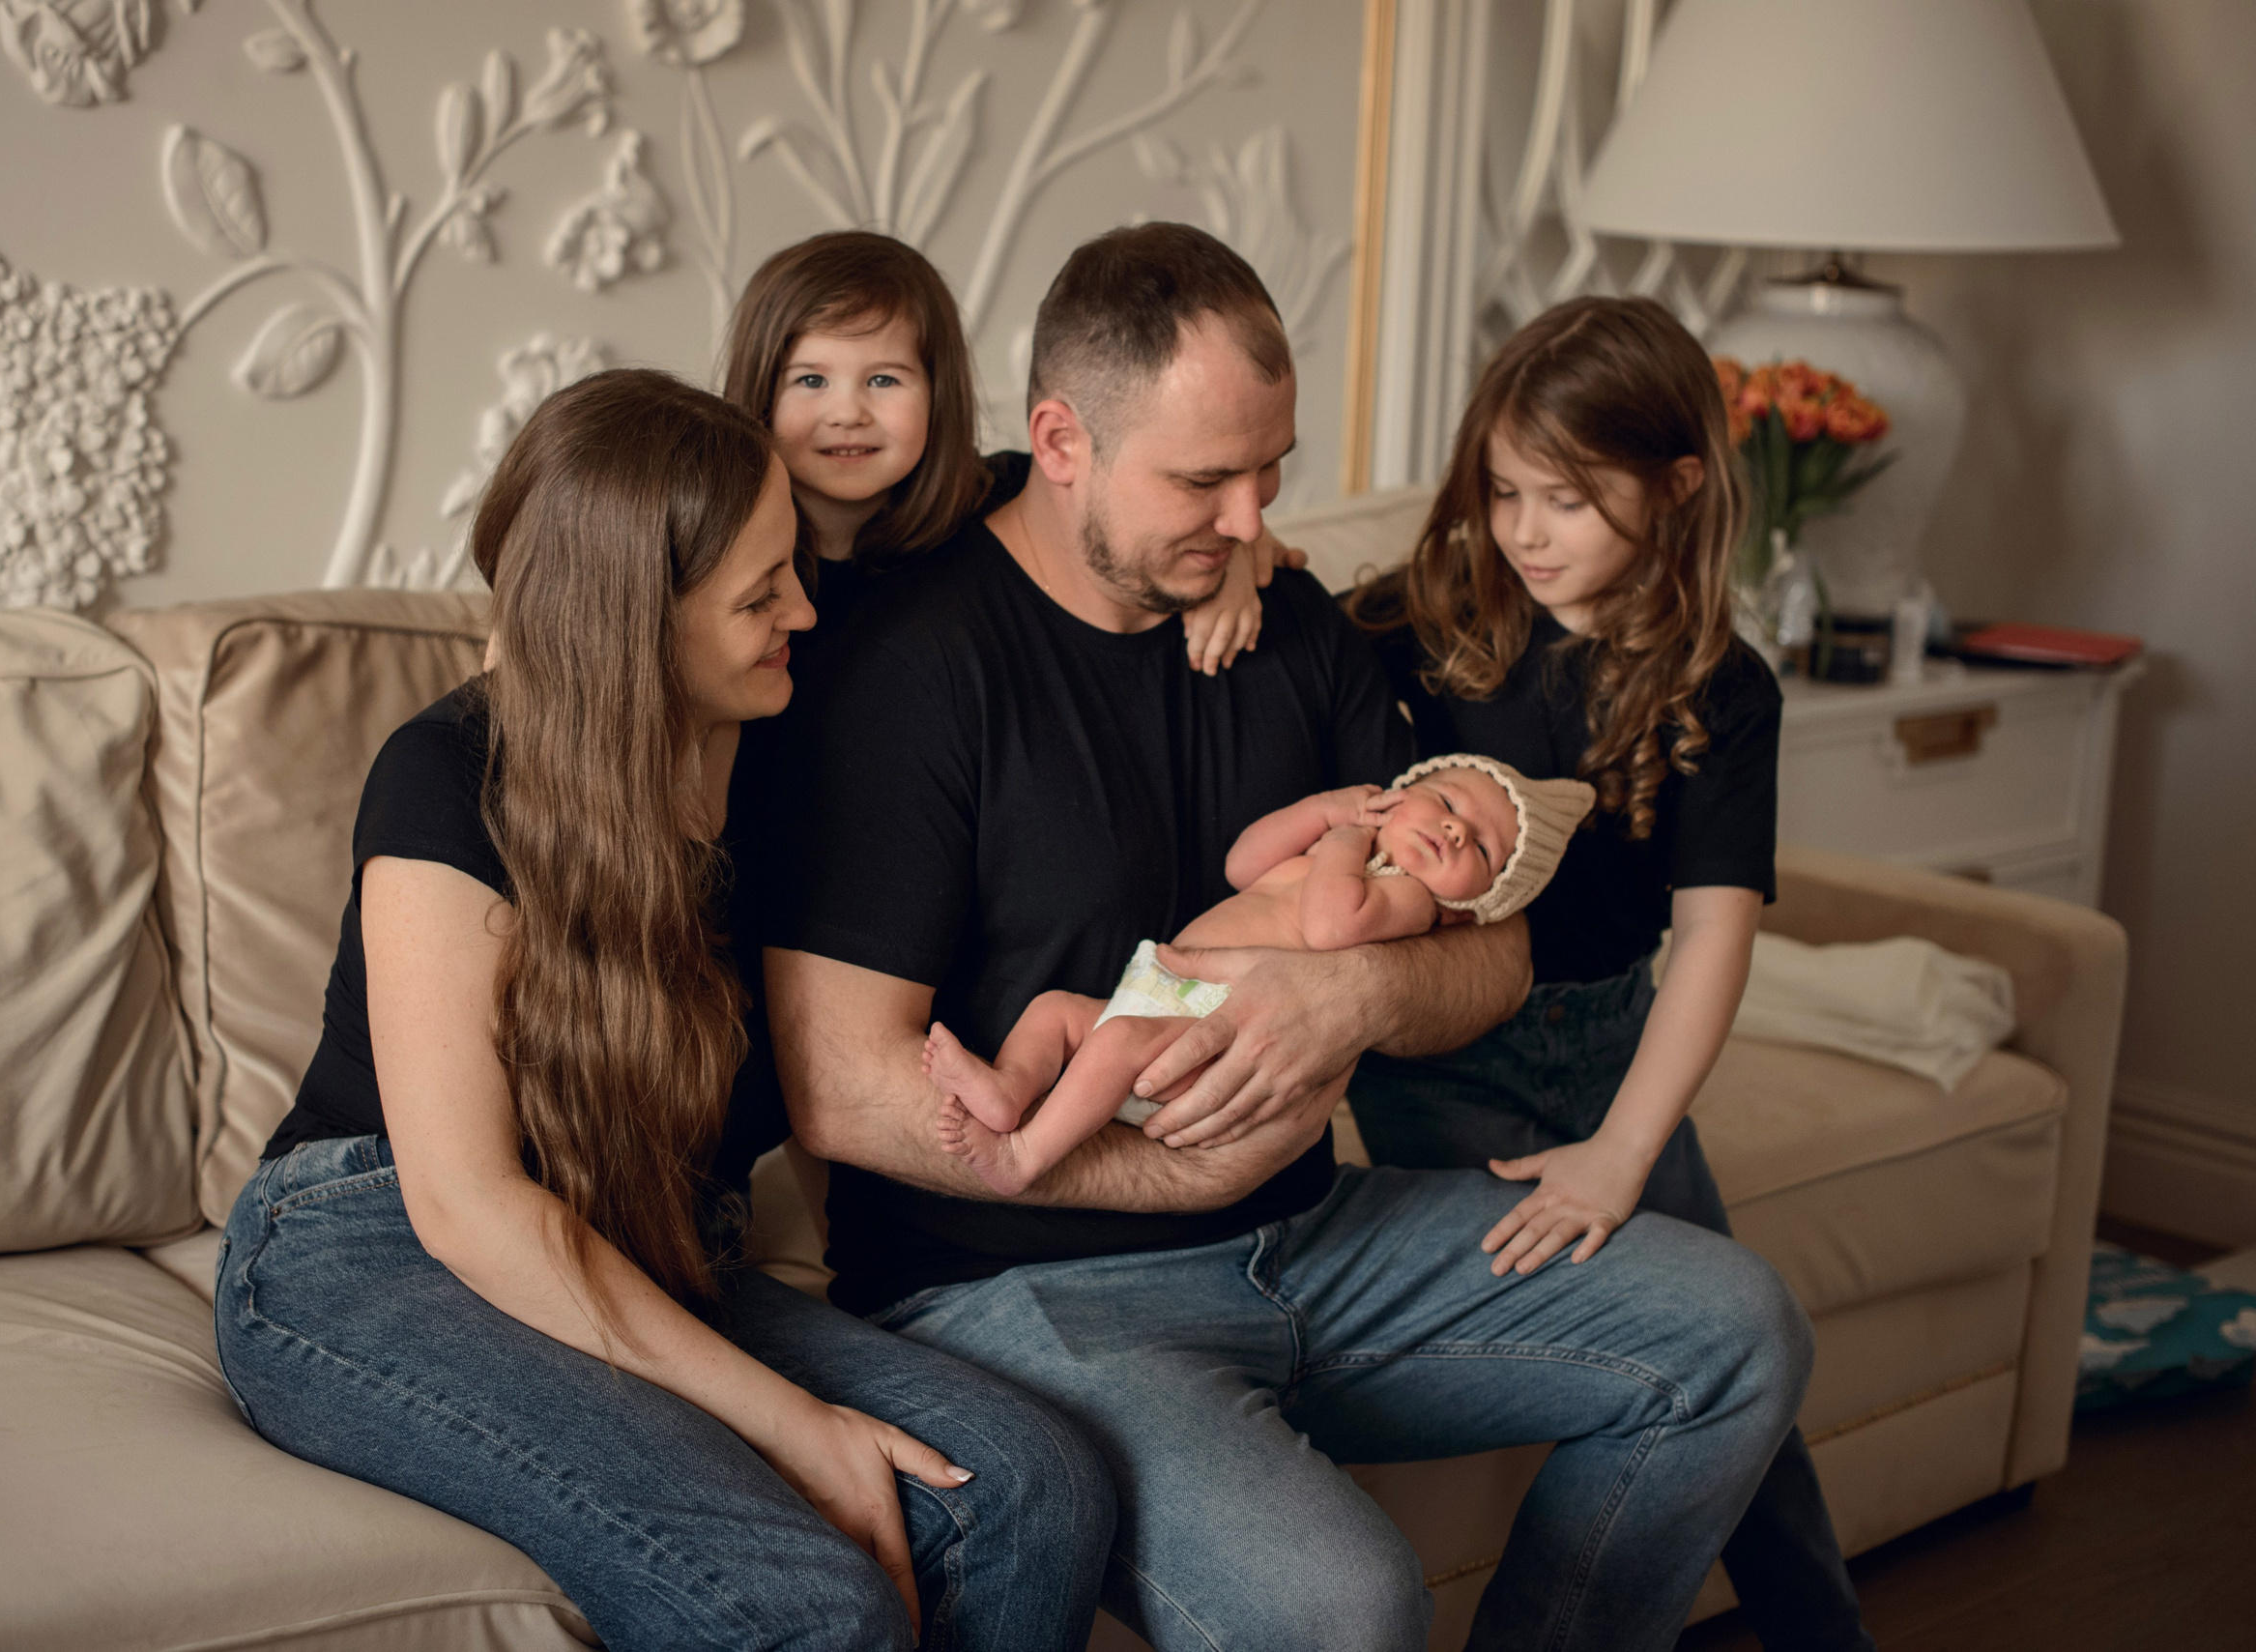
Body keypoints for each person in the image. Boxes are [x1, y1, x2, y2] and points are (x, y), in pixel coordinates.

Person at [755, 223, 1811, 1652]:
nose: (1251, 518)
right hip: (1023, 1290)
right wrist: (1183, 1159)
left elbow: (1494, 947)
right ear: (1058, 440)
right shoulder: (909, 668)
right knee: (1345, 1606)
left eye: (1273, 471)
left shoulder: (1295, 625)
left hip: (1315, 1238)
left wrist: (1358, 997)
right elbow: (837, 1083)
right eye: (1203, 479)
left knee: (1738, 1332)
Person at [212, 368, 1114, 1652]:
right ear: (633, 621)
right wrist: (800, 1429)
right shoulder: (451, 778)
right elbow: (468, 1207)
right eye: (760, 592)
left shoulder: (790, 726)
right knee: (810, 1606)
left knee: (1033, 1490)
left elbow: (1006, 506)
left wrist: (1236, 551)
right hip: (375, 1241)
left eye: (795, 564)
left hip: (640, 1230)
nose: (802, 603)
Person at [1345, 295, 1875, 1652]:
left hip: (1615, 1049)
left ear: (1678, 484)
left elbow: (1712, 929)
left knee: (1751, 1373)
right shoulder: (1432, 622)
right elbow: (1281, 642)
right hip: (1447, 1065)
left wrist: (1627, 1149)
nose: (1524, 532)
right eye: (1506, 492)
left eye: (1566, 500)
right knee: (1618, 1332)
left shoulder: (1722, 685)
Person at [926, 756, 1595, 1195]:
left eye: (1480, 846)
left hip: (1214, 1032)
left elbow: (1336, 927)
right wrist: (1325, 812)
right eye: (1446, 799)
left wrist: (1342, 843)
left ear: (1471, 906)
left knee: (1115, 1040)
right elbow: (1244, 864)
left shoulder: (1411, 899)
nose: (1452, 827)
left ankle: (1022, 1158)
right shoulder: (1341, 846)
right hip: (1165, 996)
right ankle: (1009, 1091)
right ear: (1400, 792)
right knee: (1055, 1010)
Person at [719, 227, 1292, 674]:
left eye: (884, 380)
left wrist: (1235, 563)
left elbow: (1137, 520)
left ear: (939, 392)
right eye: (811, 381)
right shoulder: (723, 548)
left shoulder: (995, 497)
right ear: (761, 392)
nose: (847, 413)